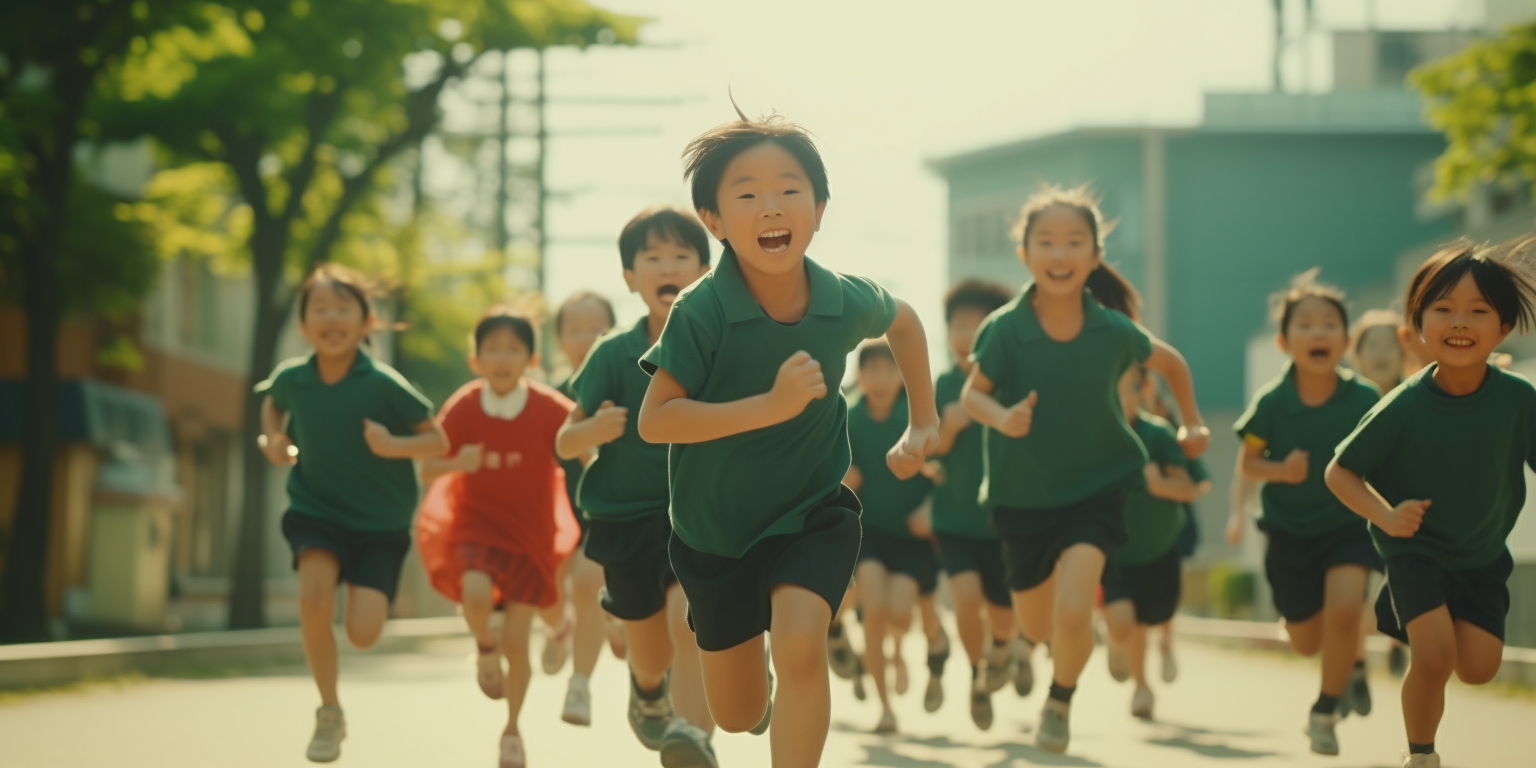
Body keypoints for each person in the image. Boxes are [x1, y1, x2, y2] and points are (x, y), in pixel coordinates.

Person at [637, 111, 940, 768]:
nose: (770, 206)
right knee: (738, 714)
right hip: (714, 535)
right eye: (745, 194)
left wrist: (923, 420)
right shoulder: (702, 310)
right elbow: (655, 420)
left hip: (811, 513)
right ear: (714, 221)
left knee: (803, 641)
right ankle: (757, 695)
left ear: (820, 208)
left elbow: (907, 321)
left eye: (789, 189)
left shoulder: (839, 299)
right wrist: (767, 407)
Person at [961, 183, 1208, 754]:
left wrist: (1191, 423)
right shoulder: (1004, 328)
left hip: (1096, 489)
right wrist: (1002, 418)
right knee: (1039, 625)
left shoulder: (1112, 330)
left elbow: (1170, 362)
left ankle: (1060, 700)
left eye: (1074, 242)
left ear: (1095, 258)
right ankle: (1053, 647)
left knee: (1075, 607)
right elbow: (975, 396)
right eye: (1045, 241)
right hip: (1021, 496)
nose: (1059, 253)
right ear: (1024, 254)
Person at [1327, 237, 1536, 768]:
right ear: (1417, 325)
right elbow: (1340, 472)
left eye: (1478, 311)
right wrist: (1386, 516)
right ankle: (1421, 755)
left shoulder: (1518, 400)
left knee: (1480, 668)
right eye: (1442, 310)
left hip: (1483, 553)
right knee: (1435, 655)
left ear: (1504, 327)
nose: (1459, 322)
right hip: (1414, 550)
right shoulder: (1405, 405)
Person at [255, 263, 448, 763]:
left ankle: (366, 595)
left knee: (363, 634)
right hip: (315, 509)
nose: (331, 317)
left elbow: (438, 440)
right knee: (314, 602)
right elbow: (271, 405)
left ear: (367, 323)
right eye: (320, 309)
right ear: (302, 325)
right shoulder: (293, 379)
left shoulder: (383, 383)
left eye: (344, 308)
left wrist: (390, 445)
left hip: (380, 523)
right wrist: (274, 440)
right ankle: (329, 710)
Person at [556, 206, 717, 767]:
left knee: (688, 620)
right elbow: (564, 442)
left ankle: (695, 737)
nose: (667, 266)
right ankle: (648, 690)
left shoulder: (721, 345)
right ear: (630, 278)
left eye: (681, 256)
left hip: (697, 515)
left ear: (705, 270)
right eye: (653, 257)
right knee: (649, 650)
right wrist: (593, 430)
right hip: (624, 520)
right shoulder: (612, 352)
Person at [416, 308, 579, 768]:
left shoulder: (548, 406)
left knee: (518, 640)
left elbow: (583, 433)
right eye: (492, 349)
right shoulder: (466, 405)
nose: (502, 358)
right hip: (477, 525)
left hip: (530, 534)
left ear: (530, 358)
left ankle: (513, 728)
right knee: (474, 592)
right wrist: (455, 464)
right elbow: (427, 466)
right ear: (476, 359)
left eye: (513, 349)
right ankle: (483, 648)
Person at [1231, 270, 1383, 756]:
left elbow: (1390, 455)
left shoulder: (1365, 398)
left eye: (1329, 325)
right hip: (1288, 531)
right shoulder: (1272, 402)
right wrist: (1281, 470)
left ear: (1345, 339)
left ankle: (1324, 710)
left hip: (1347, 525)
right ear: (1284, 340)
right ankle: (1345, 665)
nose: (1318, 333)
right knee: (1303, 639)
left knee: (1344, 611)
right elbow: (1248, 462)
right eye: (1306, 324)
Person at [930, 279, 1022, 731]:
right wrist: (950, 428)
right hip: (954, 518)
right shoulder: (942, 385)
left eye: (976, 325)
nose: (965, 334)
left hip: (1003, 521)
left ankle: (1003, 649)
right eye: (958, 325)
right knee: (965, 599)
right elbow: (928, 454)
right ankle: (976, 675)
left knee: (1004, 618)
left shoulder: (1009, 384)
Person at [1101, 365, 1209, 721]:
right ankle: (1141, 687)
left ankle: (1146, 672)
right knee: (1124, 623)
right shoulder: (1095, 435)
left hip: (1159, 545)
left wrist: (1160, 483)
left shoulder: (1159, 434)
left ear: (1142, 390)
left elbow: (1189, 488)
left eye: (1127, 389)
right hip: (1114, 550)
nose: (1119, 398)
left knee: (1149, 619)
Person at [844, 340, 938, 733]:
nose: (880, 379)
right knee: (875, 612)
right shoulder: (847, 417)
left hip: (911, 536)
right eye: (872, 371)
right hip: (870, 533)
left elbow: (948, 470)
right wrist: (843, 477)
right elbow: (825, 467)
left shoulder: (915, 417)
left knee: (899, 614)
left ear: (903, 376)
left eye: (890, 370)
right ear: (860, 376)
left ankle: (900, 651)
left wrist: (930, 508)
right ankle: (884, 707)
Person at [549, 290, 623, 724]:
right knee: (563, 584)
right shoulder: (552, 396)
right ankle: (567, 630)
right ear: (559, 339)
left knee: (586, 578)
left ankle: (579, 684)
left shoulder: (628, 384)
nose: (585, 338)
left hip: (609, 512)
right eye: (574, 330)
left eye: (596, 329)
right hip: (560, 514)